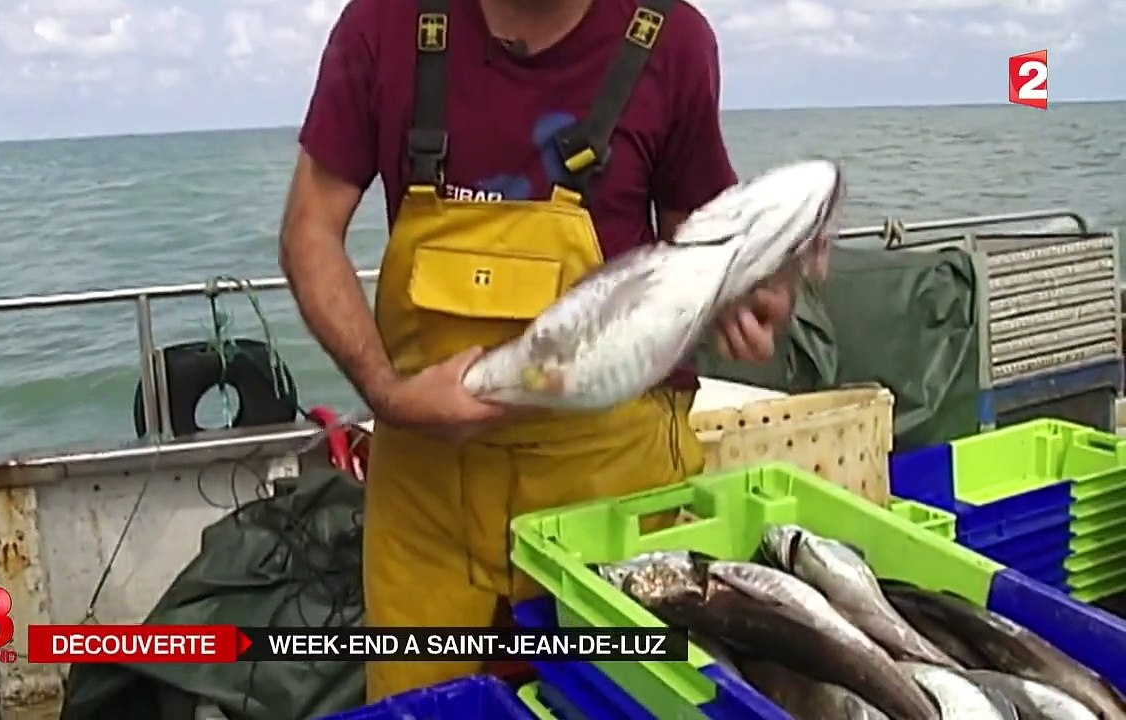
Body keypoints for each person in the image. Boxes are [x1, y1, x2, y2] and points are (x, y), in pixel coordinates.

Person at [278, 0, 796, 702]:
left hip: (612, 485)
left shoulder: (670, 40)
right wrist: (386, 392)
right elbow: (310, 226)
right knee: (416, 710)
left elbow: (698, 242)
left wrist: (745, 286)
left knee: (622, 702)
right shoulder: (383, 23)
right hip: (425, 488)